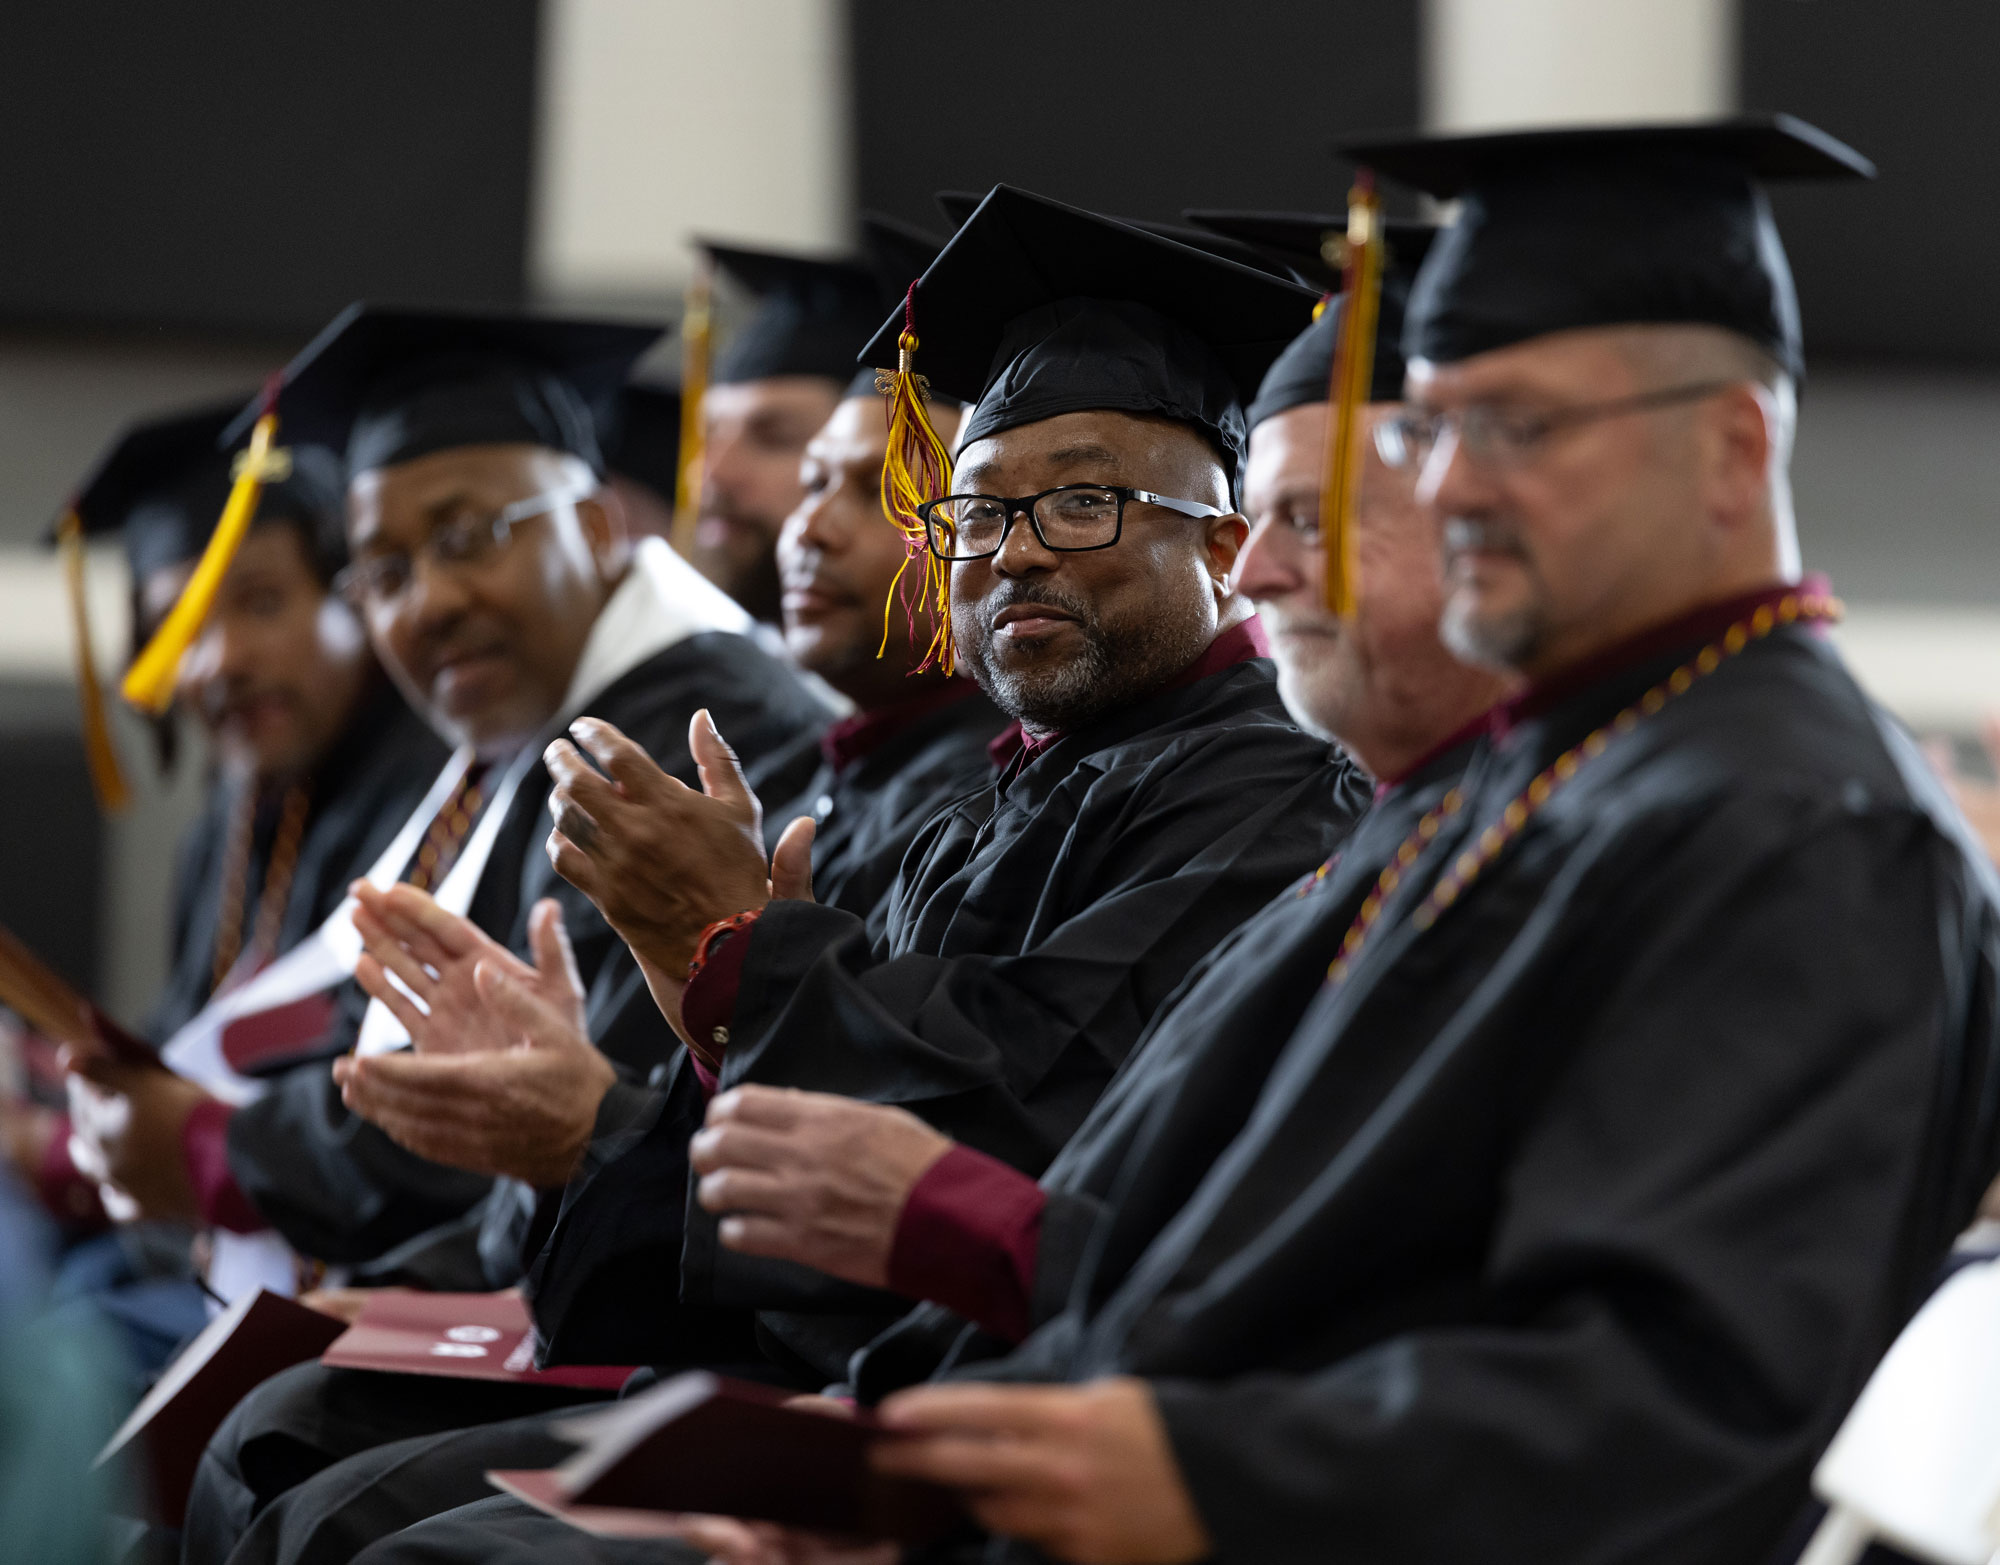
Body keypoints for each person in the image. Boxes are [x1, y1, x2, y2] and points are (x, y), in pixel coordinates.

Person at [830, 116, 2000, 1565]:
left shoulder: (1796, 830)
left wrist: (1216, 1473)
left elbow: (1687, 1389)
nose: (1450, 487)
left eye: (1517, 427)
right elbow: (1307, 1259)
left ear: (1731, 446)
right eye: (1432, 431)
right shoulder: (1533, 779)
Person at [188, 190, 1374, 1565]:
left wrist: (736, 951)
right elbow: (805, 1157)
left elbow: (1018, 1124)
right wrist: (661, 1052)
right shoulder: (996, 795)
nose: (1021, 549)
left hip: (1019, 1414)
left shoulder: (1271, 792)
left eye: (1087, 501)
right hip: (838, 1361)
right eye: (980, 514)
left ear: (1227, 547)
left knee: (392, 1542)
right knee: (288, 1450)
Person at [14, 401, 446, 1371]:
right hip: (204, 1241)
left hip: (355, 1279)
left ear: (354, 594)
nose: (218, 660)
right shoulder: (230, 815)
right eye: (177, 625)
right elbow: (182, 1045)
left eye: (257, 602)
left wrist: (65, 1154)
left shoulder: (433, 799)